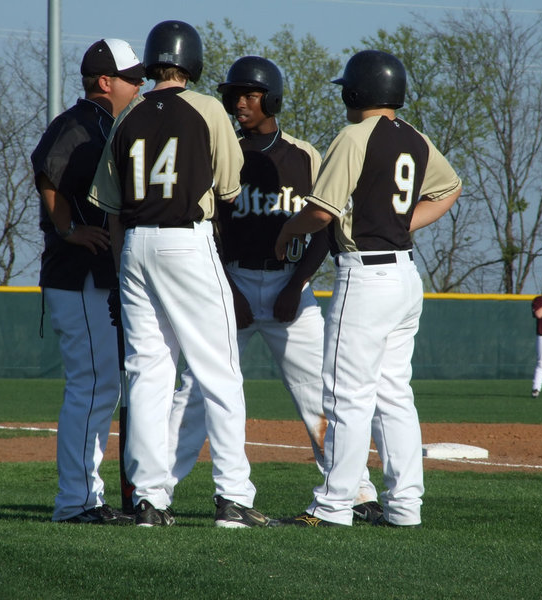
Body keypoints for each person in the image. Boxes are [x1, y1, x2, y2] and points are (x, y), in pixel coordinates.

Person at [165, 55, 382, 523]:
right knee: (196, 390)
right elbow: (209, 229)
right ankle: (157, 490)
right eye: (234, 94)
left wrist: (297, 283)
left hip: (290, 285)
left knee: (319, 395)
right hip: (231, 281)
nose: (239, 102)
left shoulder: (304, 155)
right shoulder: (222, 150)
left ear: (273, 98)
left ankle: (357, 493)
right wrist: (230, 289)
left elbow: (326, 227)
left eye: (250, 94)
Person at [87, 20, 270, 528]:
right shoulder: (209, 108)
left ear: (151, 63)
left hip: (136, 247)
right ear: (192, 63)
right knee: (219, 371)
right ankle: (232, 496)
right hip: (187, 239)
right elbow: (230, 189)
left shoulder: (128, 116)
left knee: (148, 375)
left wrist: (124, 270)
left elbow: (112, 206)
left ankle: (148, 500)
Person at [270, 50, 462, 528]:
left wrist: (286, 231)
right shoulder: (415, 139)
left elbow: (321, 212)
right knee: (394, 394)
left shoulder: (354, 136)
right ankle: (405, 507)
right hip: (404, 275)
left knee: (346, 396)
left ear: (358, 92)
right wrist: (404, 225)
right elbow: (450, 188)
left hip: (366, 276)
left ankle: (332, 506)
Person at [30, 38, 145, 524]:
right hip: (76, 277)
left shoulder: (108, 123)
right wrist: (69, 230)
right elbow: (47, 174)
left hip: (95, 279)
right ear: (105, 81)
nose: (140, 86)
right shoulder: (76, 123)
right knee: (92, 385)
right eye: (132, 78)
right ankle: (75, 502)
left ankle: (85, 499)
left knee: (100, 387)